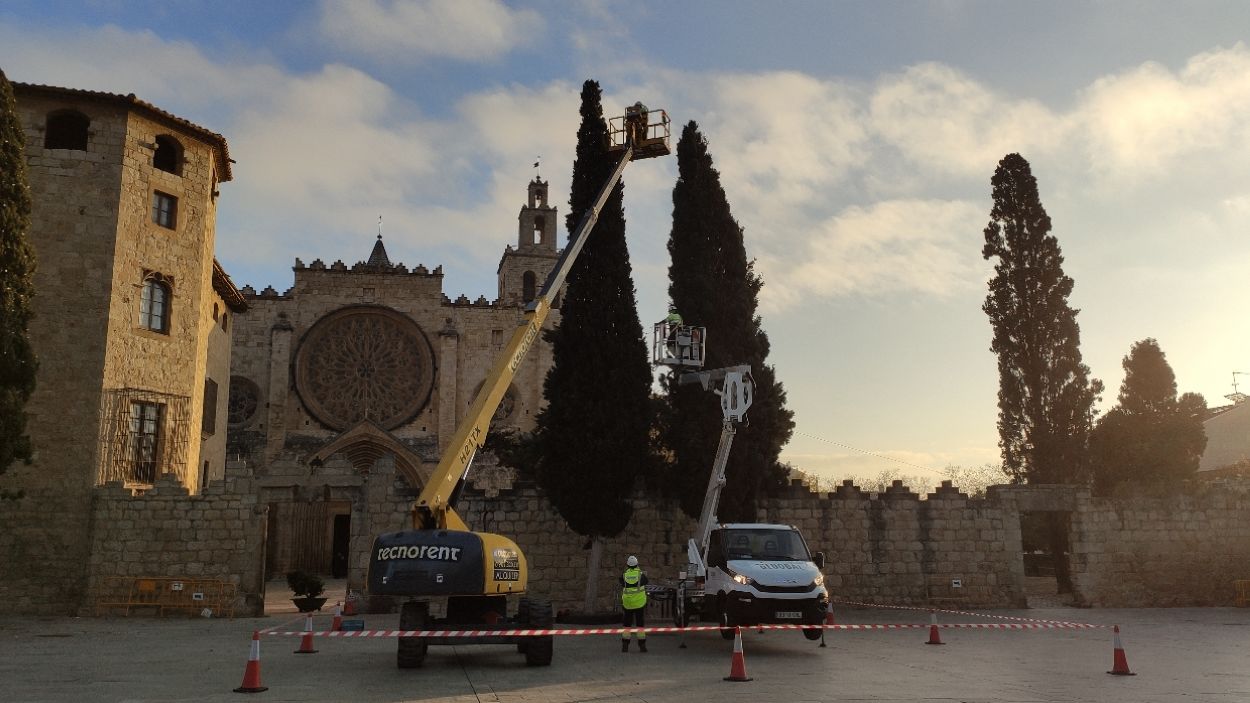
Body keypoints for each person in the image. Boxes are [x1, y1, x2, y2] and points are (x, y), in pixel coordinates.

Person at [620, 555, 648, 652]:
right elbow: (646, 582)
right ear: (637, 564)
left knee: (627, 624)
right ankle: (642, 645)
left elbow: (622, 583)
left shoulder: (624, 575)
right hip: (639, 603)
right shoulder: (641, 575)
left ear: (627, 565)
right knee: (640, 624)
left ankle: (625, 645)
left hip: (627, 603)